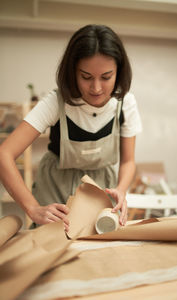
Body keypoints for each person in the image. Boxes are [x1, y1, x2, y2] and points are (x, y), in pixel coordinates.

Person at [0, 24, 142, 231]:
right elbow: (4, 154)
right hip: (55, 188)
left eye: (106, 77)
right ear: (72, 71)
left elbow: (128, 161)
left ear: (119, 72)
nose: (96, 88)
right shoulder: (56, 103)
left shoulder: (126, 103)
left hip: (101, 190)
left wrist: (121, 190)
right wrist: (33, 208)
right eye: (86, 77)